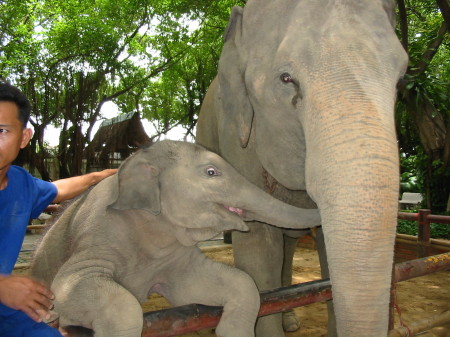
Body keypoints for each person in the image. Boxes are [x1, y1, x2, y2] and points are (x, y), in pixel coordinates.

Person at [0, 81, 116, 337]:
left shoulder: (21, 184)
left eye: (1, 131)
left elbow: (58, 189)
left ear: (24, 138)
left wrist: (102, 176)